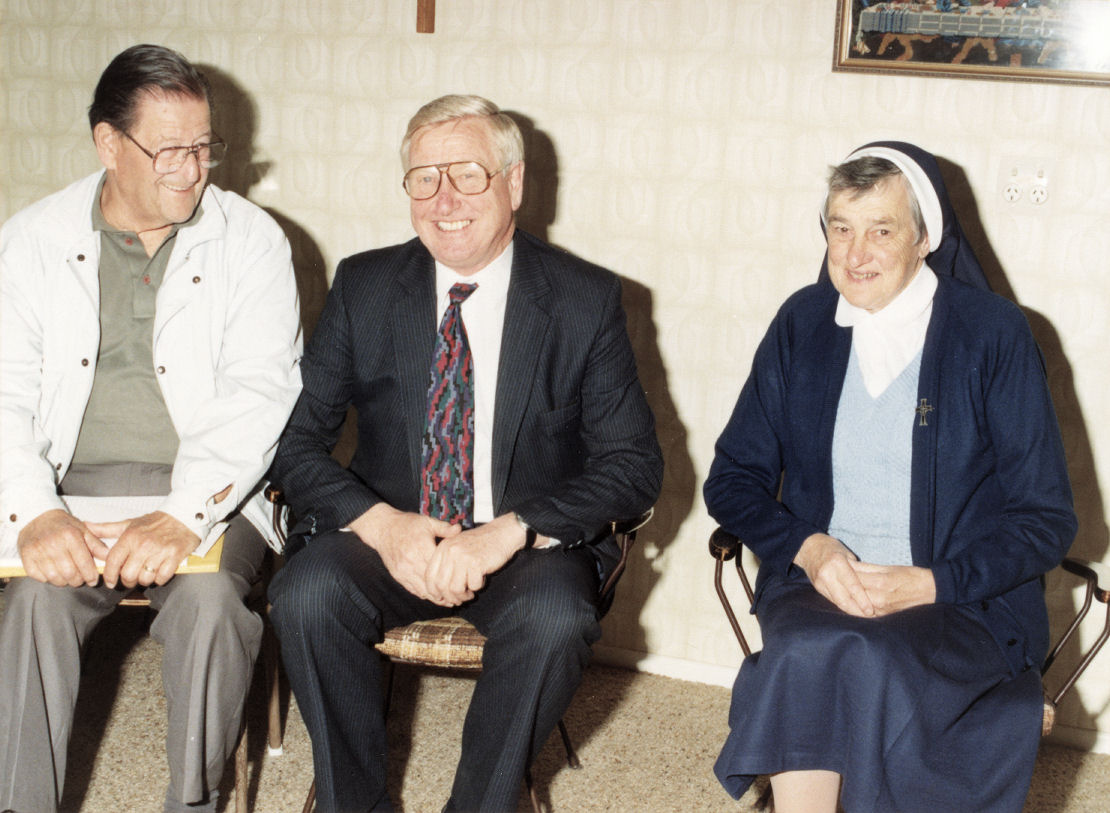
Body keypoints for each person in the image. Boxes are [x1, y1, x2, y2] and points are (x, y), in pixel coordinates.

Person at [267, 94, 663, 812]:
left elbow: (633, 466)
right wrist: (383, 525)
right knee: (305, 593)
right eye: (424, 177)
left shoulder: (584, 300)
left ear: (514, 184)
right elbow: (294, 445)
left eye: (469, 175)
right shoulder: (364, 287)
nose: (444, 198)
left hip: (519, 546)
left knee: (556, 618)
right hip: (391, 532)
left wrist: (507, 533)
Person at [704, 141, 1076, 813]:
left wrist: (929, 581)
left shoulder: (993, 335)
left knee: (856, 659)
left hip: (961, 600)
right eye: (840, 229)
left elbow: (1045, 520)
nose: (855, 253)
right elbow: (731, 480)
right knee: (812, 647)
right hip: (821, 586)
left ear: (926, 238)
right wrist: (811, 550)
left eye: (882, 230)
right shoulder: (802, 324)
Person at [0, 44, 302, 813]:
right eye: (170, 149)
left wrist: (183, 513)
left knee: (208, 611)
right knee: (36, 602)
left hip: (207, 491)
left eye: (204, 147)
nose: (193, 169)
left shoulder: (254, 240)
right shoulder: (31, 239)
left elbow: (259, 395)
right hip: (70, 486)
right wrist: (35, 511)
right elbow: (3, 389)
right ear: (108, 144)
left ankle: (192, 805)